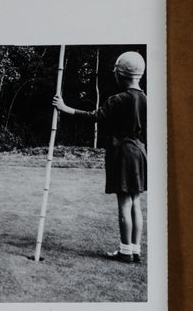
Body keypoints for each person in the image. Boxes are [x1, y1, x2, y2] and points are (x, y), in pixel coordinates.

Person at [53, 51, 147, 263]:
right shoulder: (146, 99)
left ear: (121, 74)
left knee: (124, 202)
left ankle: (125, 251)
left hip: (123, 153)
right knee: (135, 202)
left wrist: (65, 108)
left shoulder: (119, 99)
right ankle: (135, 249)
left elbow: (94, 117)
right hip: (140, 152)